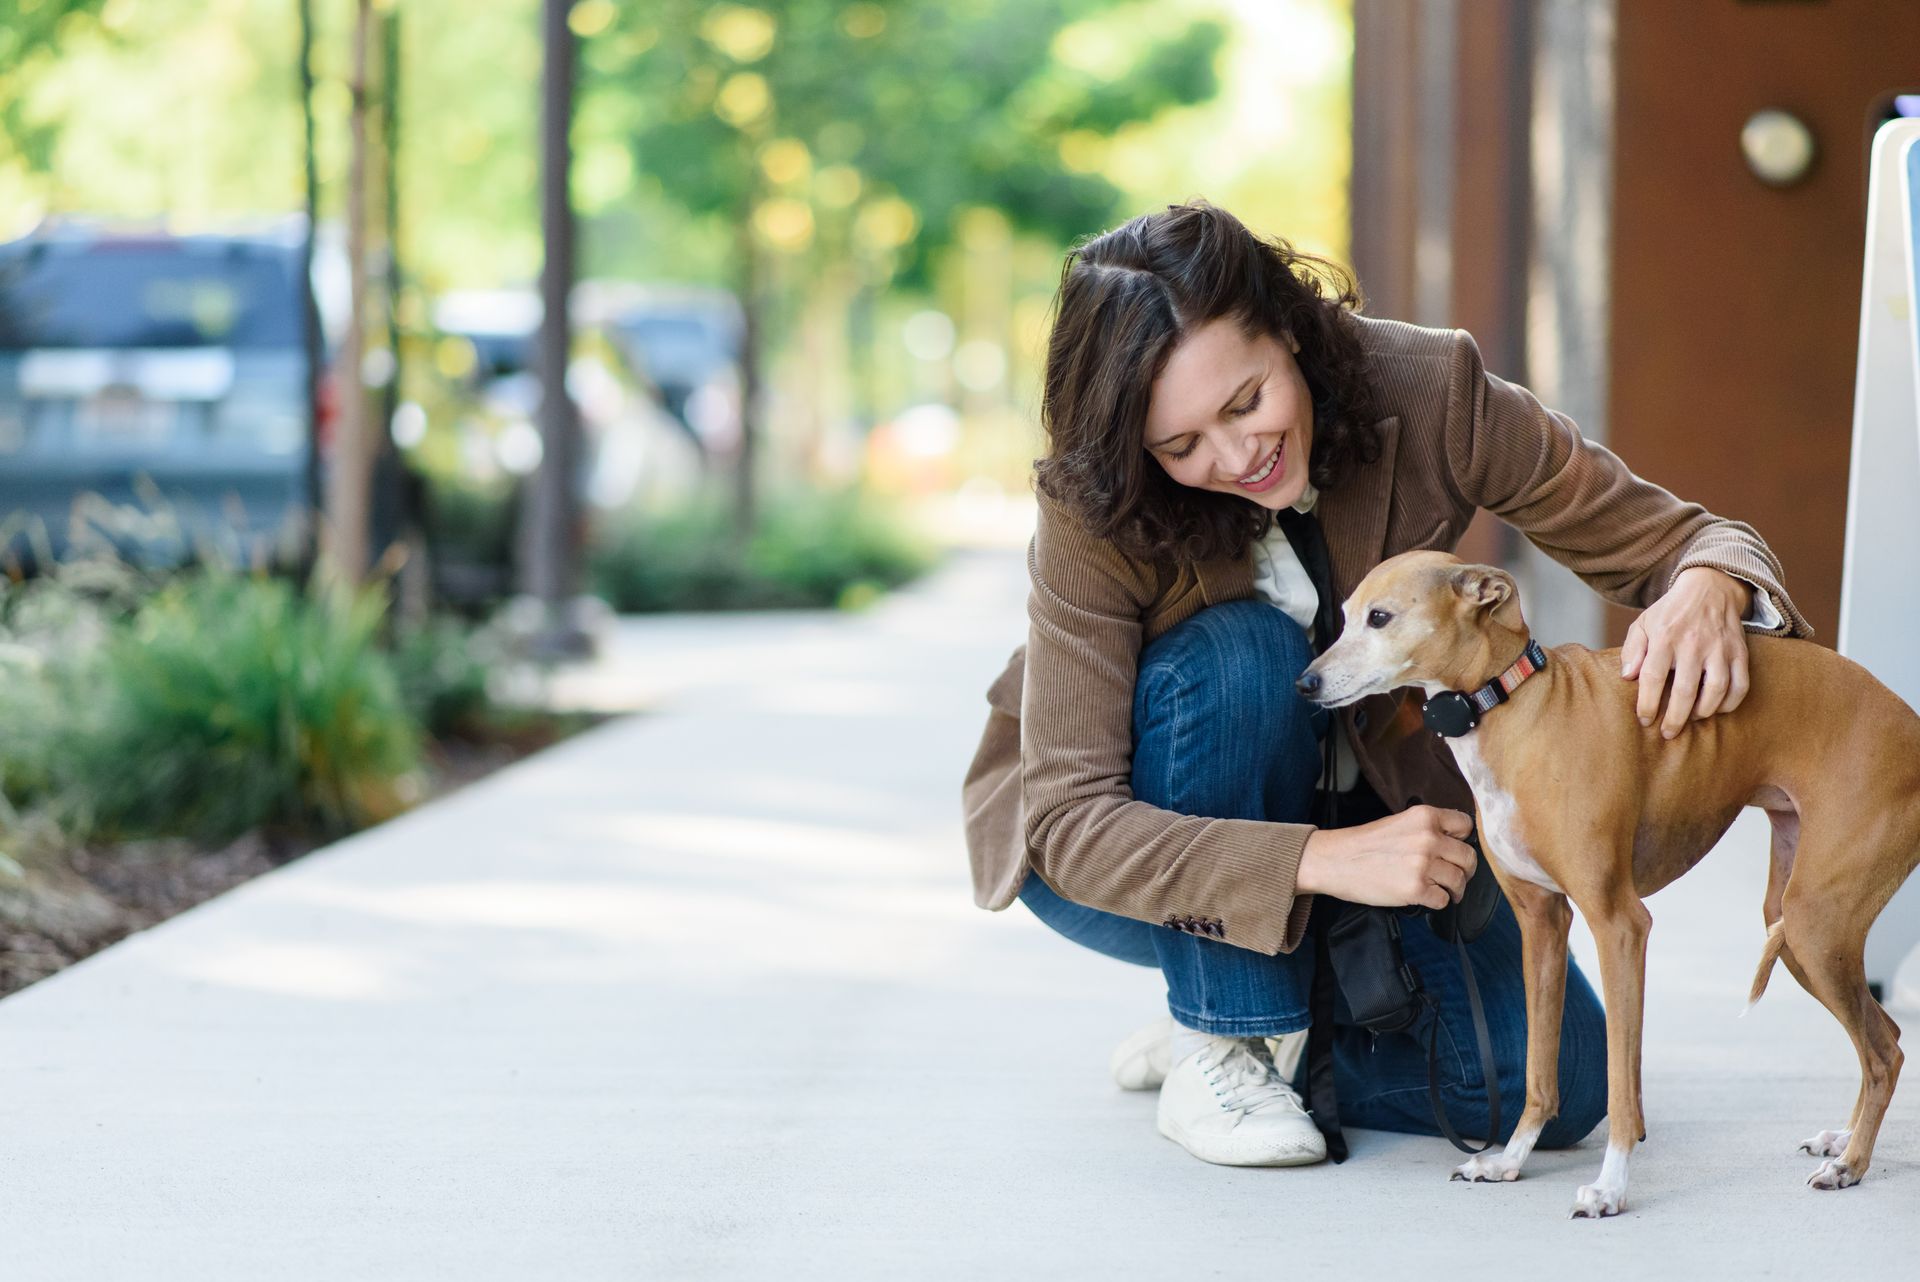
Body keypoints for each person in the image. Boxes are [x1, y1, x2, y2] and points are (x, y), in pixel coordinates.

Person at [960, 200, 1814, 1168]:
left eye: (1246, 403)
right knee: (1244, 654)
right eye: (1182, 445)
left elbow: (1676, 536)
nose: (1238, 456)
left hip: (1392, 821)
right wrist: (1318, 861)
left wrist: (1710, 583)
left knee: (1555, 1090)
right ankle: (1223, 1028)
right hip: (1130, 861)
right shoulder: (1092, 499)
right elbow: (1071, 819)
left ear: (1288, 329)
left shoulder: (1429, 388)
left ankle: (1280, 1010)